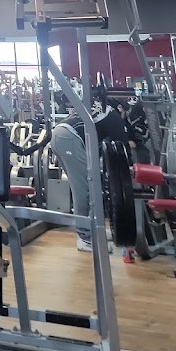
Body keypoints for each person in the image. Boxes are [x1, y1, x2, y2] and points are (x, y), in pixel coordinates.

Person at [50, 97, 131, 254]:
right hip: (68, 138)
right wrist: (130, 171)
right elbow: (122, 146)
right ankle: (85, 238)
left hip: (62, 135)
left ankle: (95, 229)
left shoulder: (100, 111)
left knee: (91, 185)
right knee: (85, 189)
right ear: (120, 108)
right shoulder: (113, 116)